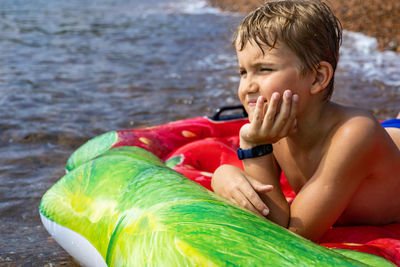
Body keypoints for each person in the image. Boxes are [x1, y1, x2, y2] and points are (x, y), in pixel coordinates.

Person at [211, 0, 400, 242]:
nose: (248, 86)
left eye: (264, 69)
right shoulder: (275, 130)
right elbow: (274, 218)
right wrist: (222, 175)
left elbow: (290, 236)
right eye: (243, 72)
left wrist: (253, 149)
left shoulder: (355, 135)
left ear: (317, 78)